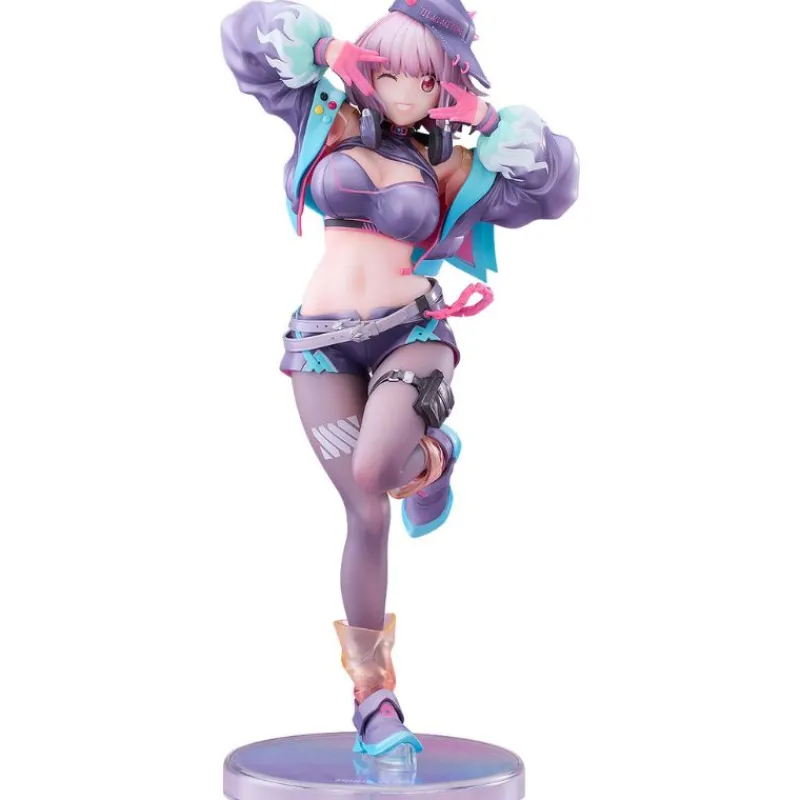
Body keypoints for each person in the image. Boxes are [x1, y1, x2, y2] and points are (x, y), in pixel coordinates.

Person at [221, 0, 579, 761]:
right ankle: (373, 698)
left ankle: (428, 459)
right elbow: (244, 40)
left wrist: (499, 127)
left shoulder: (459, 165)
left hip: (409, 335)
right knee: (365, 513)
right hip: (319, 345)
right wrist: (323, 52)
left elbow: (555, 189)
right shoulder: (326, 117)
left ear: (447, 84)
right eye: (389, 72)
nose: (404, 91)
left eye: (424, 79)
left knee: (376, 468)